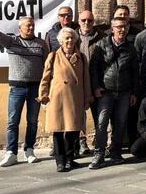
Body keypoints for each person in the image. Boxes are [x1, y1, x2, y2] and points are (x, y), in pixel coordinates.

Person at [0, 6, 49, 167]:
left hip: (35, 88)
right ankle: (11, 152)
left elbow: (48, 67)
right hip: (16, 89)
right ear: (20, 28)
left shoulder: (41, 44)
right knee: (13, 121)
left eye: (33, 25)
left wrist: (46, 89)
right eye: (28, 25)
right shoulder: (11, 41)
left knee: (32, 121)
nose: (31, 27)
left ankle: (29, 150)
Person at [38, 27, 92, 173]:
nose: (69, 41)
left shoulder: (81, 57)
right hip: (57, 99)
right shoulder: (53, 56)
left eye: (71, 38)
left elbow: (86, 78)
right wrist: (43, 95)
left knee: (73, 130)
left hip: (75, 98)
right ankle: (60, 161)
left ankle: (69, 158)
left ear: (75, 40)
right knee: (58, 130)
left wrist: (88, 97)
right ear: (61, 41)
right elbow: (46, 77)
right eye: (66, 38)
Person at [88, 17, 139, 169]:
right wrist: (96, 87)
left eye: (124, 27)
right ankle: (99, 154)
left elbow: (135, 72)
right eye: (118, 27)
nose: (121, 30)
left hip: (124, 92)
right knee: (102, 124)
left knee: (120, 124)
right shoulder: (101, 45)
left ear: (128, 28)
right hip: (106, 92)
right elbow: (93, 69)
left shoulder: (131, 48)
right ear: (112, 29)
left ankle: (115, 152)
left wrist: (134, 92)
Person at [76, 10, 103, 155]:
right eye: (84, 20)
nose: (87, 23)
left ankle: (100, 143)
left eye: (90, 20)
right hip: (78, 83)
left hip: (96, 81)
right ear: (79, 21)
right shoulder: (72, 37)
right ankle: (81, 143)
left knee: (99, 116)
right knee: (79, 115)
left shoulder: (101, 37)